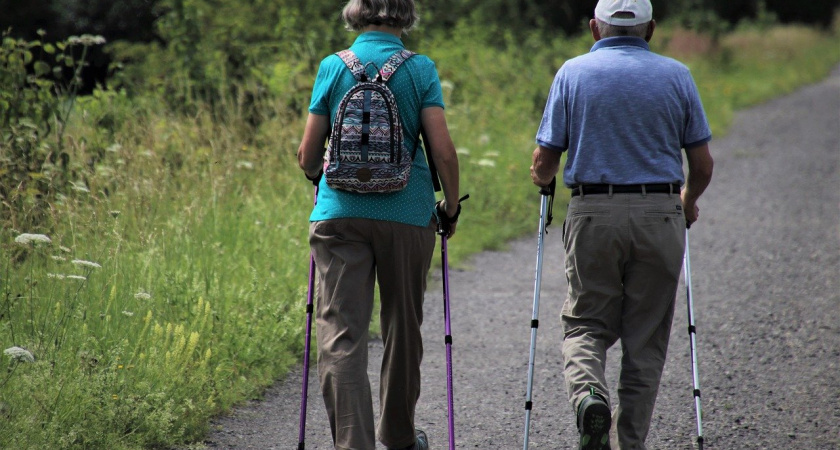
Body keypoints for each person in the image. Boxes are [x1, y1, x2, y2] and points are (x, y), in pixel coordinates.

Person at [529, 0, 714, 449]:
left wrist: (541, 175)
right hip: (660, 213)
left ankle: (590, 395)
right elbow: (702, 164)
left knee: (585, 325)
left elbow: (546, 160)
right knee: (645, 340)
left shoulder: (573, 73)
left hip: (594, 213)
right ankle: (630, 442)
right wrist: (686, 202)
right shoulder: (678, 76)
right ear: (651, 29)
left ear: (596, 28)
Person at [296, 0, 461, 448]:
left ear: (356, 13)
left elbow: (308, 156)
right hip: (407, 215)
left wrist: (319, 178)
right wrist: (449, 207)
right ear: (405, 15)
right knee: (402, 327)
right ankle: (401, 438)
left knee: (341, 333)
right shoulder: (420, 69)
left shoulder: (333, 66)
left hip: (340, 217)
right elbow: (443, 151)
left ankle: (354, 443)